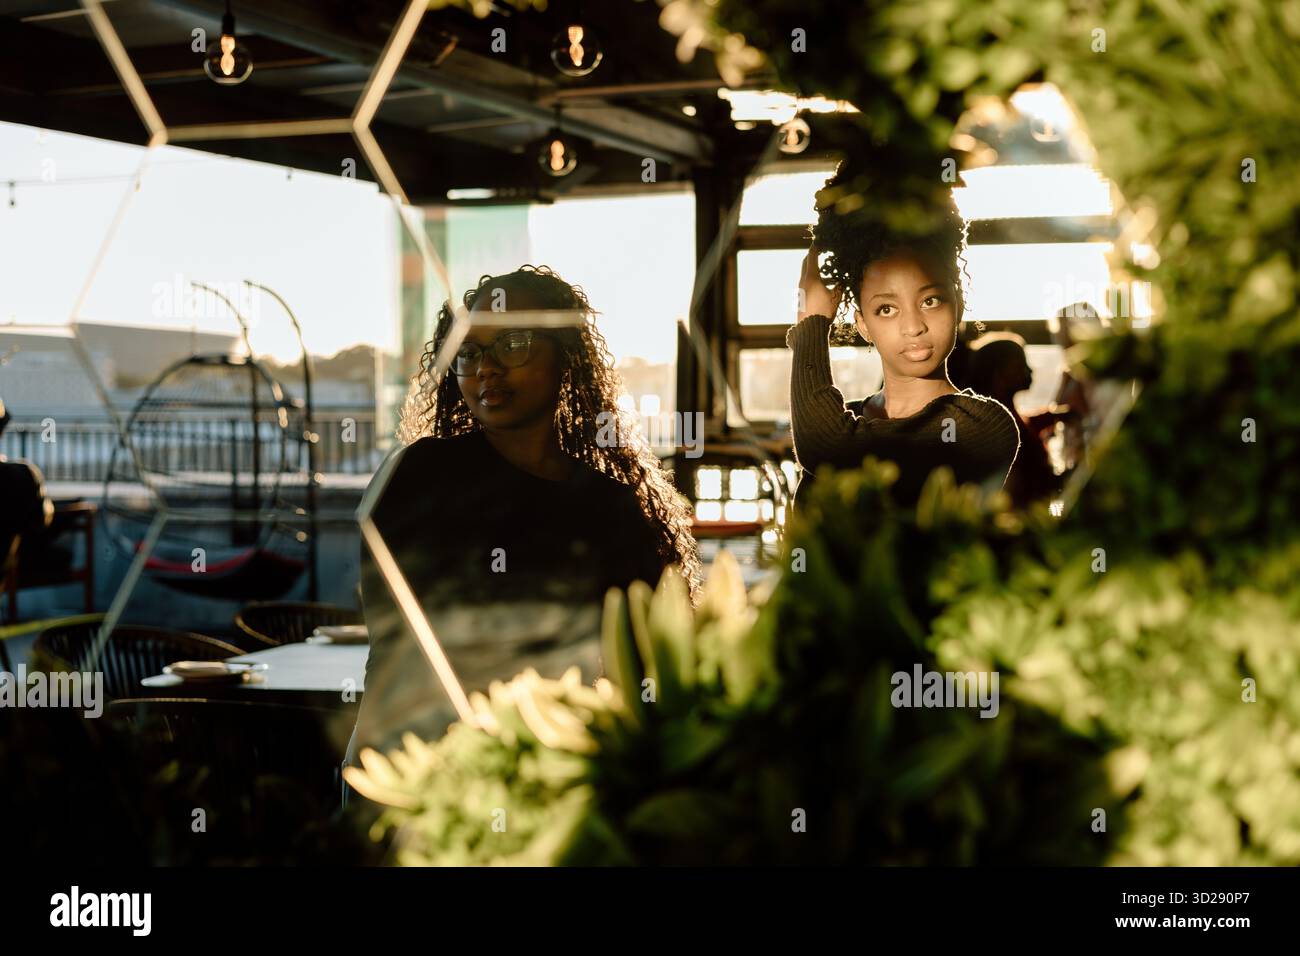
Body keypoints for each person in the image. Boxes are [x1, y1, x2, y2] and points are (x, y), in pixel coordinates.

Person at [348, 266, 700, 764]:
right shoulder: (420, 474)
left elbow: (647, 653)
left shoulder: (612, 504)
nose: (487, 368)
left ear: (564, 356)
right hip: (411, 763)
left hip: (550, 764)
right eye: (469, 353)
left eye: (513, 345)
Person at [785, 162, 1020, 508]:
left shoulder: (983, 427)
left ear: (958, 303)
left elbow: (827, 446)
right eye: (886, 309)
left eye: (930, 300)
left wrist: (812, 325)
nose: (914, 327)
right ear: (863, 324)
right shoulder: (843, 420)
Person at [964, 332, 1060, 508]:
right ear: (999, 372)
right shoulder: (994, 427)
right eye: (1020, 364)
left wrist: (1053, 416)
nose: (1029, 370)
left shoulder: (991, 415)